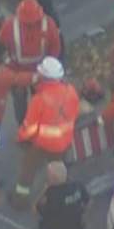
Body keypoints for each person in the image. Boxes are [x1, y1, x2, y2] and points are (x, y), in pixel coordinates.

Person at [12, 57, 79, 210]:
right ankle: (56, 201)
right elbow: (75, 114)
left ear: (44, 77)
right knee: (57, 175)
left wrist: (20, 137)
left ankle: (19, 202)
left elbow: (29, 128)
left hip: (42, 145)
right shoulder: (71, 92)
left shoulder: (39, 99)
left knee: (27, 172)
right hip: (63, 144)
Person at [0, 0, 63, 124]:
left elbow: (55, 48)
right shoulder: (10, 26)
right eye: (27, 23)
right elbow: (1, 49)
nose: (31, 25)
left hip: (40, 72)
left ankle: (36, 123)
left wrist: (48, 69)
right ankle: (24, 125)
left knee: (39, 100)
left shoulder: (48, 25)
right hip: (18, 72)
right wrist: (9, 68)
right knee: (20, 100)